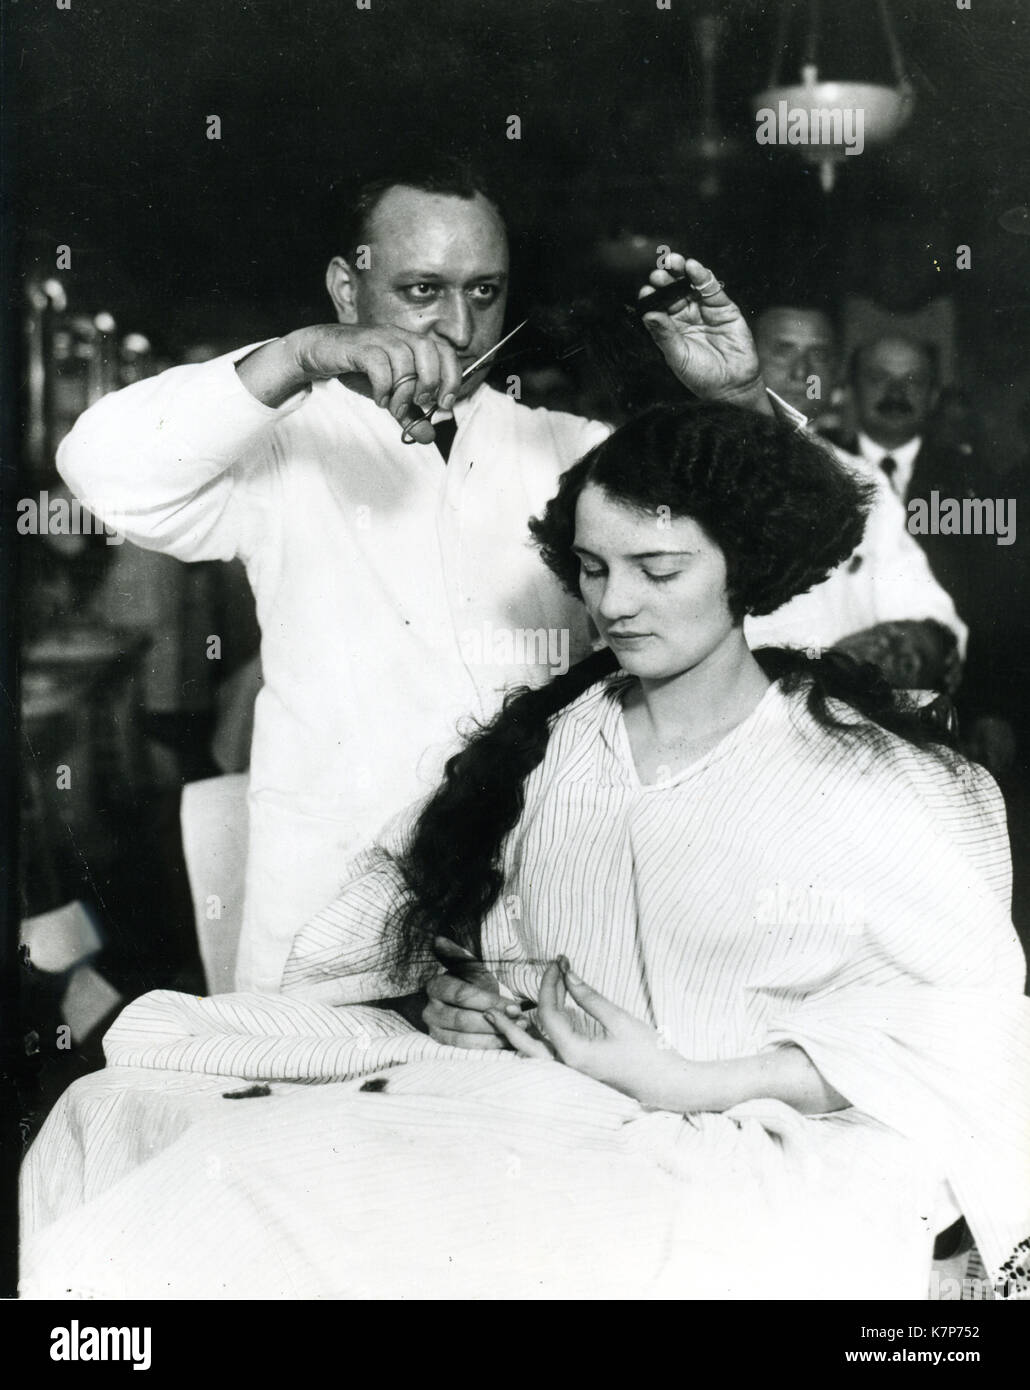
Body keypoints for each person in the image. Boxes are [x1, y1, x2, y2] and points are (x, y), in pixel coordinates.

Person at [22, 403, 1029, 1301]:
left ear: (749, 569)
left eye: (658, 568)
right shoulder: (555, 743)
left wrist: (685, 1079)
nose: (614, 604)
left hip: (742, 1144)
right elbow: (419, 937)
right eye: (592, 569)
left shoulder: (859, 773)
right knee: (122, 1119)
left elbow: (957, 1034)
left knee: (280, 1212)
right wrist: (447, 993)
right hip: (530, 1104)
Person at [55, 157, 780, 993]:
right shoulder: (285, 442)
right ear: (346, 289)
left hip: (529, 904)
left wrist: (741, 400)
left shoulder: (564, 446)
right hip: (328, 910)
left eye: (484, 292)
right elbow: (104, 469)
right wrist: (297, 357)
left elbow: (755, 548)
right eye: (423, 291)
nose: (460, 331)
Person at [751, 307, 966, 690]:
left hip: (844, 713)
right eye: (783, 350)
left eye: (818, 355)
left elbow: (920, 603)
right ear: (744, 355)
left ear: (835, 377)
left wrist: (911, 641)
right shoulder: (688, 463)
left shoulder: (861, 478)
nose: (803, 372)